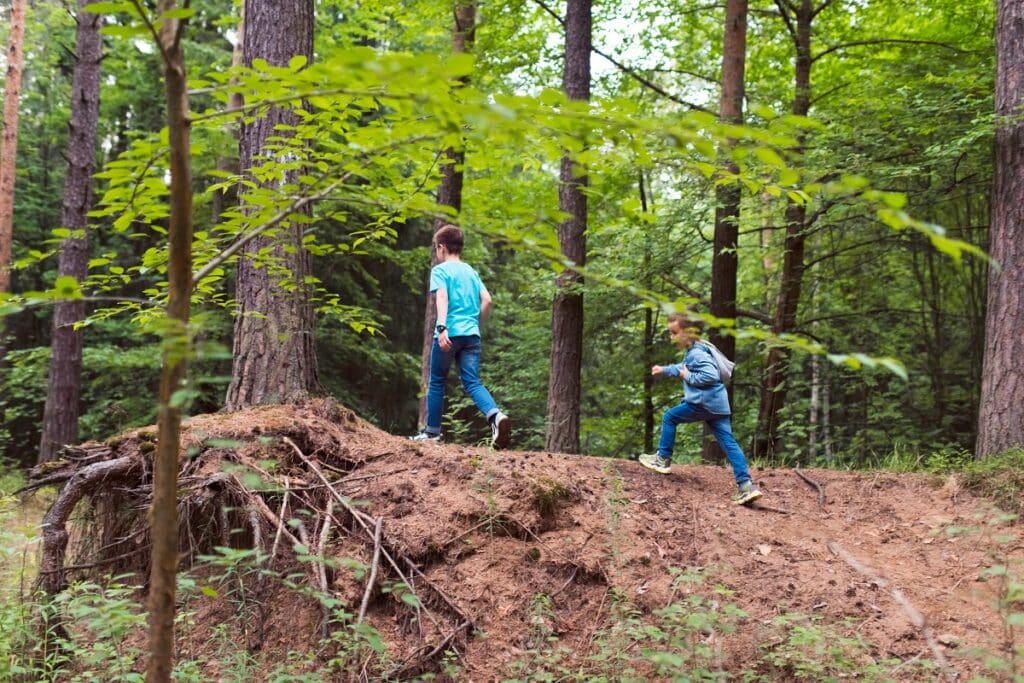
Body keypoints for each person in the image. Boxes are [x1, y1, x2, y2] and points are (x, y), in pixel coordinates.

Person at [639, 313, 763, 505]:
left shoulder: (697, 353)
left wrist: (686, 376)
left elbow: (710, 375)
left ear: (688, 333)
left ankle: (662, 459)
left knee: (670, 417)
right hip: (718, 405)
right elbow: (684, 367)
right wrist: (666, 369)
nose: (671, 337)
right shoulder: (698, 349)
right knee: (728, 442)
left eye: (674, 333)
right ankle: (746, 486)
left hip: (703, 403)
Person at [410, 224, 511, 449]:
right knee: (473, 382)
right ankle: (496, 416)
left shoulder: (440, 270)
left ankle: (432, 433)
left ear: (441, 247)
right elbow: (488, 300)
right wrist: (477, 325)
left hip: (450, 333)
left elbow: (442, 296)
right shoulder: (471, 272)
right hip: (471, 335)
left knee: (436, 381)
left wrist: (442, 327)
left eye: (437, 249)